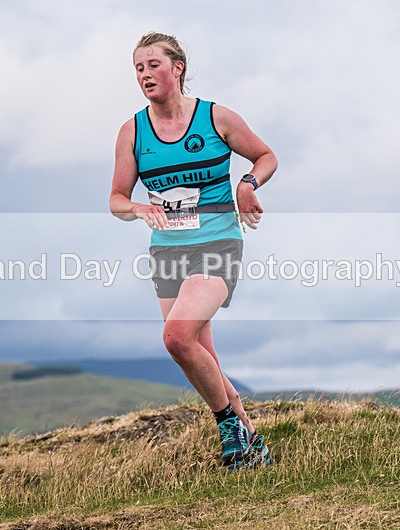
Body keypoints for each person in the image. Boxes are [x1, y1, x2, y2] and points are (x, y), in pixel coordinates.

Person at [109, 32, 278, 469]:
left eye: (153, 65)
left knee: (176, 337)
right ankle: (252, 446)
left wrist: (247, 184)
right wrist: (138, 207)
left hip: (218, 243)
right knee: (203, 355)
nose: (145, 75)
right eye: (139, 69)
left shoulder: (215, 117)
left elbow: (265, 157)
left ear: (177, 68)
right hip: (168, 253)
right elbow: (116, 200)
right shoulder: (133, 131)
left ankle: (226, 426)